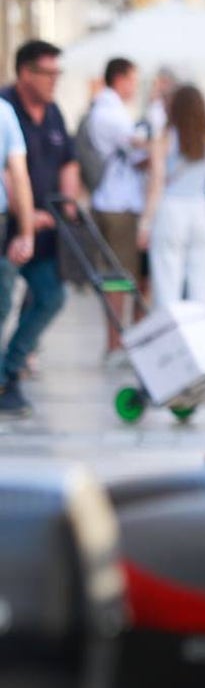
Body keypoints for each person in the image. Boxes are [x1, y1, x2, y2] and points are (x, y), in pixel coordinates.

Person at [0, 40, 80, 417]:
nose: (53, 81)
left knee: (51, 296)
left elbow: (68, 159)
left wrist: (67, 205)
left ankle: (9, 370)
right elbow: (9, 173)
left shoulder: (53, 113)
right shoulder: (5, 107)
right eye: (47, 73)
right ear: (24, 73)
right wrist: (27, 217)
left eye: (56, 73)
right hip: (12, 223)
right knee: (1, 303)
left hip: (42, 228)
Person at [88, 57, 149, 359]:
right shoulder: (111, 113)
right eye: (134, 79)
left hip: (112, 202)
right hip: (119, 205)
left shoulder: (106, 109)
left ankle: (120, 342)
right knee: (119, 277)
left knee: (120, 276)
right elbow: (140, 151)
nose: (136, 86)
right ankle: (117, 345)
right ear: (121, 78)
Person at [138, 84, 205, 308]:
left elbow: (156, 183)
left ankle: (172, 336)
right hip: (201, 209)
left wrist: (145, 224)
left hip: (171, 208)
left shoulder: (165, 138)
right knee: (201, 282)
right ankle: (201, 336)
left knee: (167, 282)